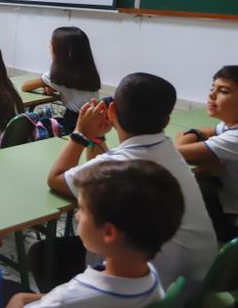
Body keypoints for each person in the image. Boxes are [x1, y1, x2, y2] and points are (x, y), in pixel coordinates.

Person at [46, 73, 217, 295]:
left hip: (147, 288)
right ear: (166, 121)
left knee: (45, 255)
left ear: (112, 111)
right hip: (194, 282)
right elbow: (107, 172)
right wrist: (97, 139)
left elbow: (56, 178)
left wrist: (80, 134)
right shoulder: (169, 151)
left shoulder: (122, 161)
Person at [0, 160, 184, 308]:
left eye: (83, 210)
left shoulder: (66, 300)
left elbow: (68, 301)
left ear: (108, 232)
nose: (77, 215)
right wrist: (26, 297)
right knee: (8, 289)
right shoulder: (151, 276)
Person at [176, 65, 238, 242]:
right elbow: (202, 133)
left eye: (223, 91)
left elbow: (177, 153)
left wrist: (194, 139)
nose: (211, 95)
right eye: (212, 88)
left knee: (178, 199)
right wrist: (197, 136)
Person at [22, 26, 100, 133]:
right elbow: (73, 92)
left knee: (37, 125)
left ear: (64, 52)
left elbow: (25, 86)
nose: (49, 47)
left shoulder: (59, 74)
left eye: (52, 45)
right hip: (95, 122)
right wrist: (53, 87)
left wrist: (50, 84)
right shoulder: (88, 71)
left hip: (75, 125)